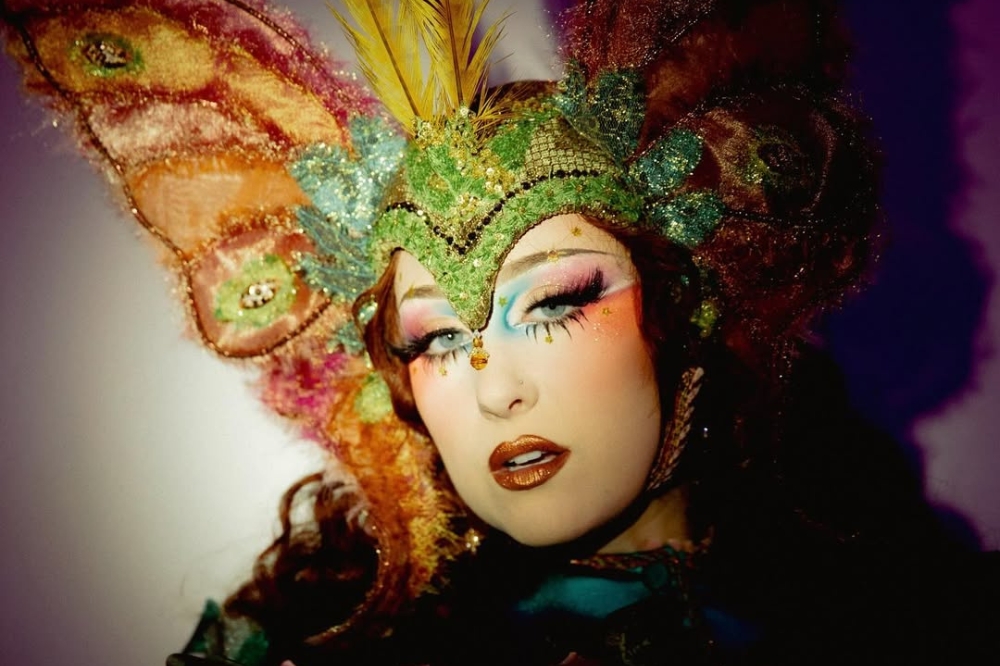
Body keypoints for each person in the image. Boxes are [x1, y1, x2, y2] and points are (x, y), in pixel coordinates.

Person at [2, 0, 994, 664]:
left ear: (682, 313)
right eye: (435, 340)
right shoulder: (316, 646)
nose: (493, 388)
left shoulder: (908, 621)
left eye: (556, 302)